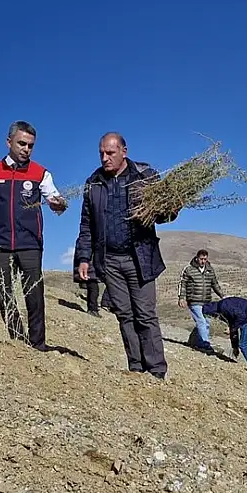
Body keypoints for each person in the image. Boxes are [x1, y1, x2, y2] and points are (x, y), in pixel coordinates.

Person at [74, 132, 179, 379]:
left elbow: (164, 215)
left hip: (139, 258)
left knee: (145, 314)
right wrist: (83, 257)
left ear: (124, 151)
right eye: (101, 153)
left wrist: (172, 206)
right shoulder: (94, 183)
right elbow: (86, 224)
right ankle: (136, 367)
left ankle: (156, 370)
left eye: (110, 153)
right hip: (109, 260)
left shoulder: (144, 177)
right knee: (124, 315)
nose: (104, 158)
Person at [0, 120, 68, 350]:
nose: (26, 149)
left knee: (34, 295)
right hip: (0, 244)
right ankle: (18, 341)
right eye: (22, 143)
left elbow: (55, 197)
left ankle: (38, 345)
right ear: (9, 142)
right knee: (3, 293)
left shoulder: (40, 173)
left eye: (30, 145)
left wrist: (59, 204)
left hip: (30, 244)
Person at [202, 297, 247, 375]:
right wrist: (235, 347)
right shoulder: (225, 306)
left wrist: (234, 327)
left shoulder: (223, 307)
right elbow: (233, 330)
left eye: (213, 316)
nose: (216, 318)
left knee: (245, 345)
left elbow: (240, 316)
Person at [178, 249, 225, 353]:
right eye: (201, 259)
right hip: (194, 300)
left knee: (206, 322)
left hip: (207, 301)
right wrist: (181, 298)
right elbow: (183, 284)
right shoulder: (189, 269)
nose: (203, 261)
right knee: (201, 321)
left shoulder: (210, 270)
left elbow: (215, 284)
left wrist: (222, 296)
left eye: (205, 259)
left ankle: (196, 341)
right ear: (197, 258)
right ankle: (205, 344)